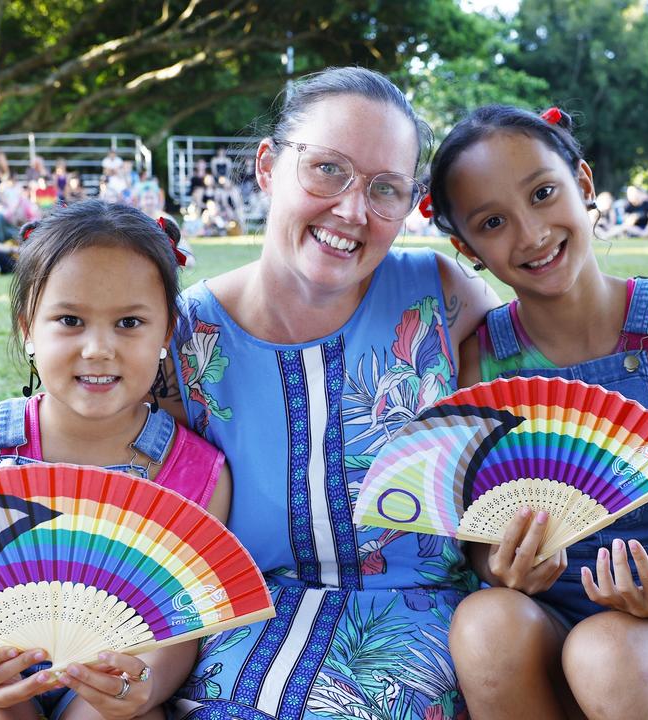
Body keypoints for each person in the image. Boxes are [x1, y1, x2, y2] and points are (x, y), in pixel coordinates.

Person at [161, 66, 496, 719]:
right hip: (240, 619)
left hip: (417, 618)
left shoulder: (443, 295)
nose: (351, 210)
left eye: (385, 189)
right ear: (267, 166)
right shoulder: (181, 335)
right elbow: (71, 442)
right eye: (327, 169)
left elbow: (539, 408)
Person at [425, 105, 648, 719]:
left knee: (607, 652)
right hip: (544, 619)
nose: (531, 234)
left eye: (543, 194)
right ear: (465, 248)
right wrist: (501, 566)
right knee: (483, 621)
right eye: (493, 222)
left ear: (583, 184)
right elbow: (474, 535)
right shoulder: (477, 363)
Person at [0, 200, 229, 720]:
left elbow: (184, 628)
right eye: (70, 319)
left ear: (166, 332)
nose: (97, 348)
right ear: (28, 326)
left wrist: (143, 685)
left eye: (129, 322)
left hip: (117, 686)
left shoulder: (197, 476)